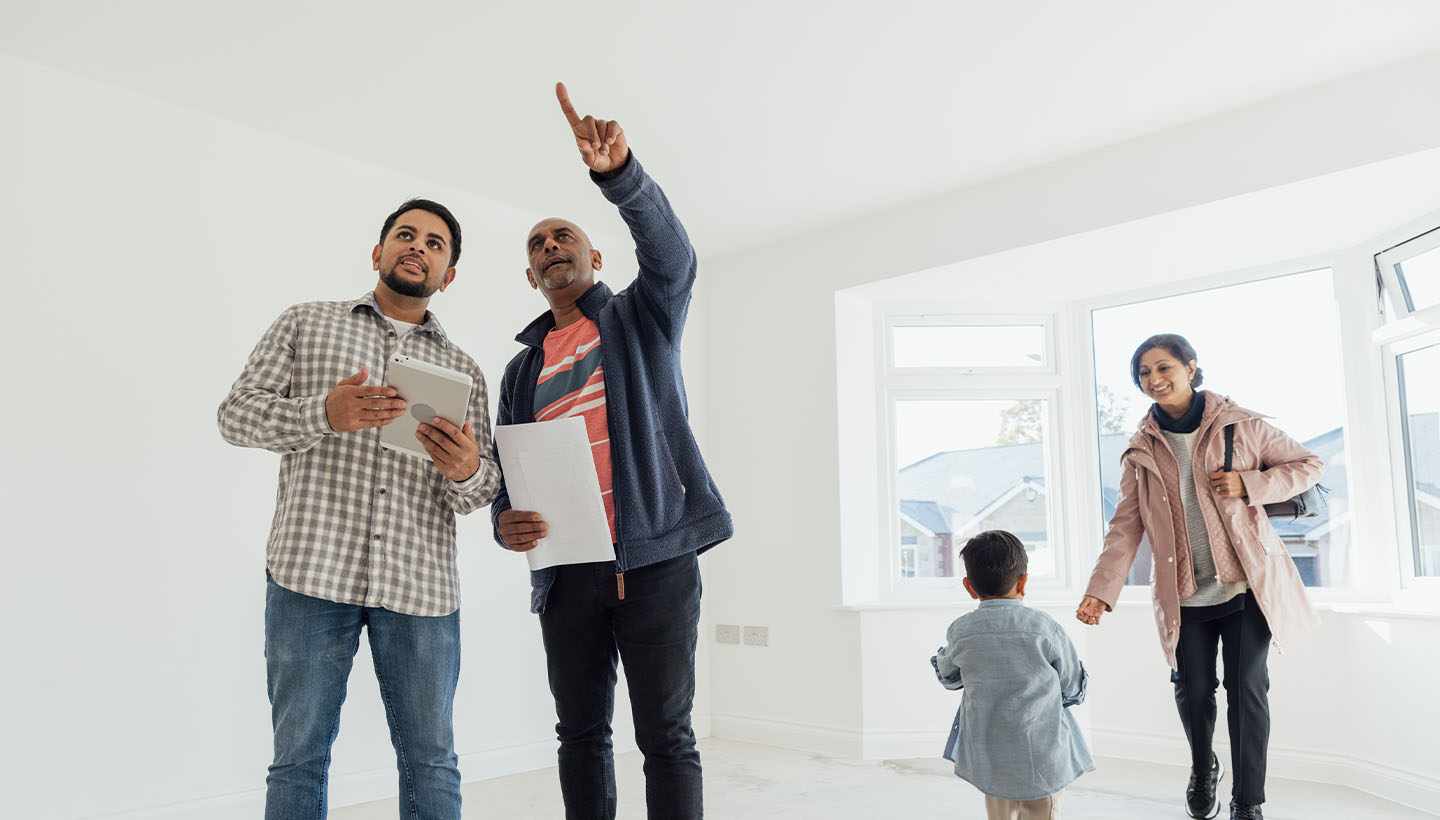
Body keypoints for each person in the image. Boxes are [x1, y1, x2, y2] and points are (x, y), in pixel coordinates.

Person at [490, 82, 732, 820]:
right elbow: (509, 474)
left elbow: (674, 257)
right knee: (580, 735)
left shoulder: (638, 319)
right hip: (568, 575)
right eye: (537, 246)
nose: (550, 247)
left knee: (666, 736)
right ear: (531, 277)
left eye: (562, 236)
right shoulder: (521, 371)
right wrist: (505, 519)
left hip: (655, 561)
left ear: (593, 254)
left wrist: (619, 176)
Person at [217, 198, 502, 820]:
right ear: (378, 253)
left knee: (431, 760)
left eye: (435, 245)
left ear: (447, 276)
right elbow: (234, 416)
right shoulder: (305, 323)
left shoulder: (465, 372)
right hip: (309, 574)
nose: (417, 248)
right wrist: (323, 413)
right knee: (298, 756)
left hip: (420, 585)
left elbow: (480, 492)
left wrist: (466, 468)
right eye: (406, 235)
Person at [1075, 333, 1323, 820]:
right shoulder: (1140, 451)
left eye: (1164, 367)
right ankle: (1202, 766)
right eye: (1144, 374)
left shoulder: (1242, 426)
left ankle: (1248, 801)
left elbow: (1309, 465)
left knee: (1246, 689)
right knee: (1192, 691)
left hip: (1247, 586)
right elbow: (1124, 528)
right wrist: (1099, 593)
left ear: (1191, 367)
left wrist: (1251, 482)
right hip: (1184, 594)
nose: (1154, 380)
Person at [932, 530, 1093, 820]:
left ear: (969, 587)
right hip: (1042, 756)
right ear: (1023, 581)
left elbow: (948, 675)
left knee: (998, 813)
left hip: (989, 756)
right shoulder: (1045, 628)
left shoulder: (961, 630)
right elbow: (1071, 685)